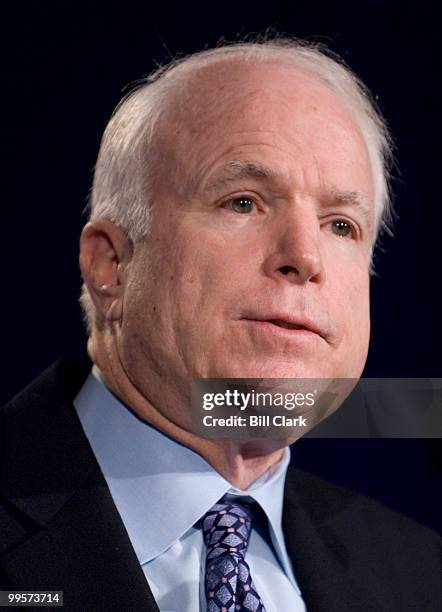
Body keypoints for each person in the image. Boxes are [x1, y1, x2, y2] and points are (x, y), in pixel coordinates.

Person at [1, 38, 441, 611]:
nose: (304, 256)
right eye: (243, 202)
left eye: (340, 225)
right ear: (112, 264)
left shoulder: (418, 572)